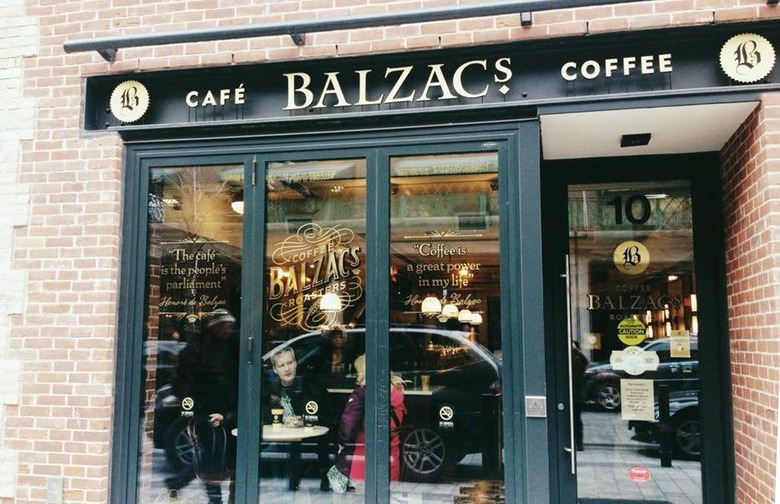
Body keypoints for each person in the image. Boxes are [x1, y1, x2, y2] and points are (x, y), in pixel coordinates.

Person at [165, 309, 239, 504]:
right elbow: (193, 377)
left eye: (230, 325)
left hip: (220, 408)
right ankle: (214, 499)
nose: (229, 329)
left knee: (211, 456)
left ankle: (178, 481)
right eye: (226, 325)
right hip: (206, 409)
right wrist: (197, 405)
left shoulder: (225, 345)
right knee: (213, 456)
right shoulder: (201, 347)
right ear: (215, 327)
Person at [263, 346, 335, 491]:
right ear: (275, 369)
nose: (287, 368)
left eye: (290, 363)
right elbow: (264, 417)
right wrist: (282, 421)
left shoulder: (312, 386)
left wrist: (303, 421)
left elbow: (327, 415)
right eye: (282, 365)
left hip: (312, 438)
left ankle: (324, 477)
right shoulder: (270, 391)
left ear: (295, 363)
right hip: (281, 440)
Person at [334, 354, 407, 488]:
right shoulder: (398, 393)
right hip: (391, 460)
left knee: (360, 496)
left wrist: (342, 442)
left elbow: (348, 426)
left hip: (363, 461)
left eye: (358, 372)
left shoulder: (361, 395)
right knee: (388, 494)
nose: (357, 377)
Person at [571, 340, 589, 452]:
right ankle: (575, 441)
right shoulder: (569, 360)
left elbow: (585, 362)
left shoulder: (579, 362)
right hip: (573, 395)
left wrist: (577, 351)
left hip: (576, 396)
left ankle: (578, 442)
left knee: (576, 420)